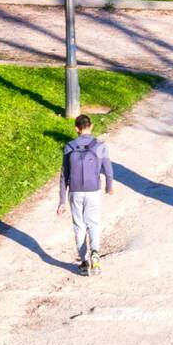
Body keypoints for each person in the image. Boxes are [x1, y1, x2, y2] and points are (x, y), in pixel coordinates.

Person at [57, 113, 114, 277]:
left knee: (79, 225)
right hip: (93, 190)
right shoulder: (100, 145)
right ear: (91, 126)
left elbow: (64, 176)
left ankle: (83, 262)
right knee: (93, 223)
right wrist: (109, 187)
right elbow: (109, 171)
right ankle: (95, 252)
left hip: (75, 191)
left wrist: (62, 201)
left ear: (76, 129)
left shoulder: (69, 146)